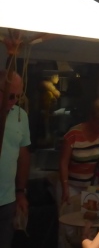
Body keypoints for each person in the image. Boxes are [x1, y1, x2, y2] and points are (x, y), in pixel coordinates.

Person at [60, 98, 99, 207]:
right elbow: (63, 163)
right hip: (72, 185)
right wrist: (65, 187)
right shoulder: (73, 135)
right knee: (71, 214)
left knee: (91, 215)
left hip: (94, 184)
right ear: (92, 118)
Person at [0, 71, 30, 248]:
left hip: (8, 200)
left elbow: (23, 156)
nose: (15, 101)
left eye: (19, 96)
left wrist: (20, 191)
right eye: (11, 96)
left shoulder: (20, 116)